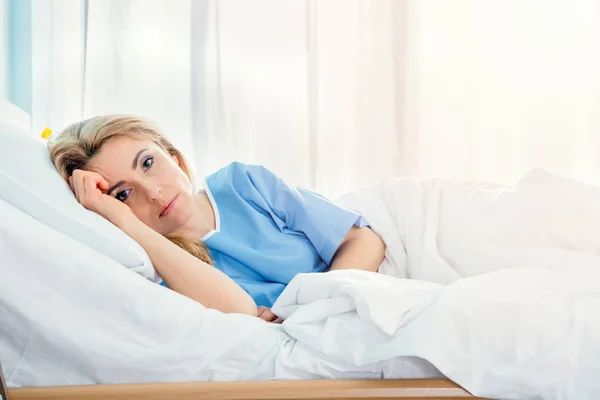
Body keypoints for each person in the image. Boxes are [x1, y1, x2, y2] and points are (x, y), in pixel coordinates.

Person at [48, 115, 386, 322]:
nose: (153, 193)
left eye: (148, 163)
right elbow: (240, 314)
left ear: (174, 156)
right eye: (124, 194)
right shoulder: (157, 264)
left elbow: (363, 239)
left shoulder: (242, 184)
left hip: (360, 301)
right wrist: (127, 223)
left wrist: (306, 312)